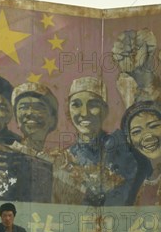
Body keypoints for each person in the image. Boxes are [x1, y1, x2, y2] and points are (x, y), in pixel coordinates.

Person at [51, 76, 138, 206]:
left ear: (105, 110)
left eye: (93, 105)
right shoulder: (62, 159)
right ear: (68, 110)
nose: (84, 113)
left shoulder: (123, 150)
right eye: (76, 105)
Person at [12, 81, 59, 153]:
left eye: (38, 108)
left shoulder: (62, 159)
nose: (30, 113)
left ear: (53, 120)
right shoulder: (6, 155)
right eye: (23, 107)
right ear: (16, 119)